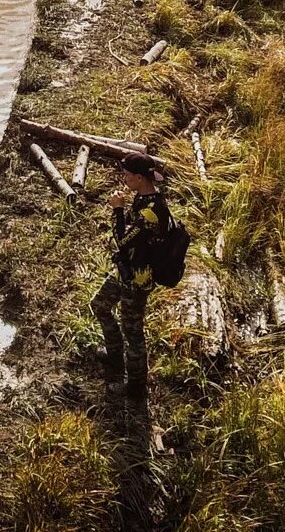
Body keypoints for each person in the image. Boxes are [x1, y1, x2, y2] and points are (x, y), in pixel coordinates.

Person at [91, 153, 171, 399]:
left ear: (139, 177)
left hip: (139, 278)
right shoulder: (143, 198)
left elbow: (122, 241)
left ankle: (136, 387)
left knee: (133, 331)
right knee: (100, 305)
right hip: (127, 270)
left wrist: (117, 210)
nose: (123, 178)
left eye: (126, 175)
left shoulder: (151, 210)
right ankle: (114, 354)